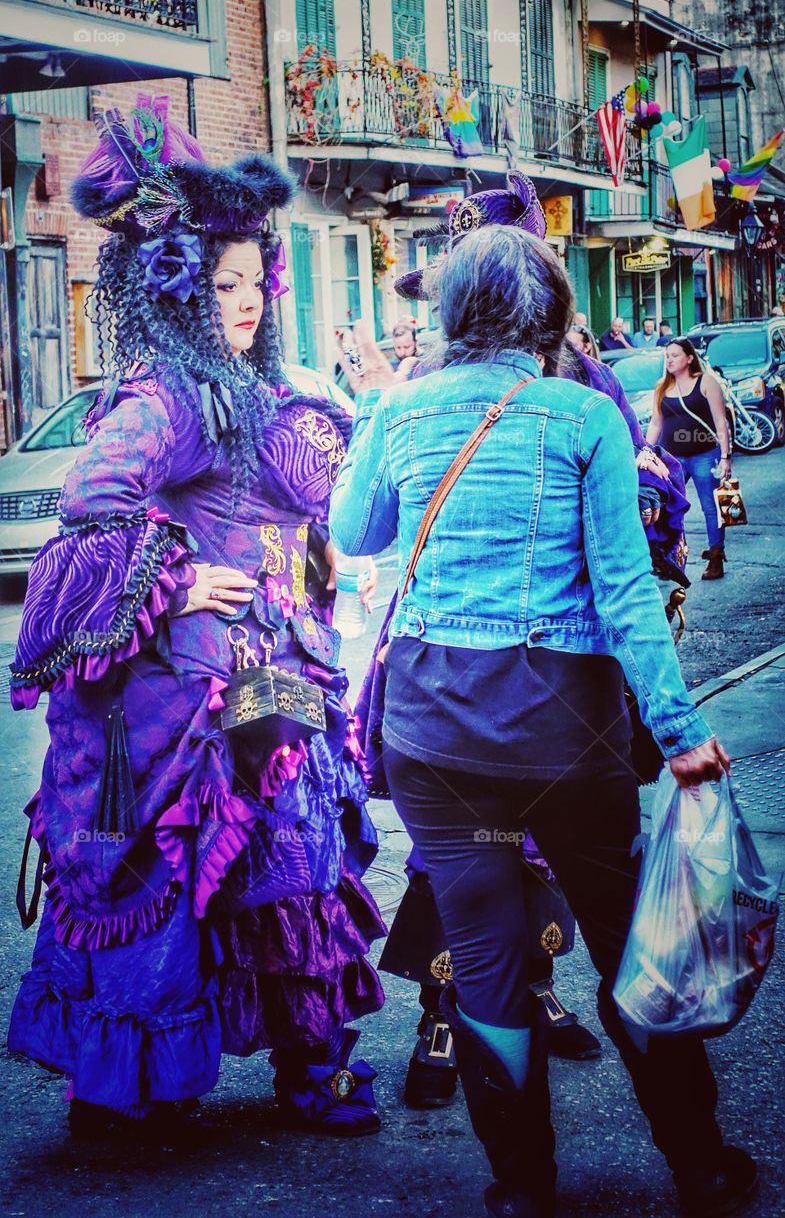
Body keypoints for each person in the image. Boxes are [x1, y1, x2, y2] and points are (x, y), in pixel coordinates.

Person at [329, 227, 755, 1218]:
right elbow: (622, 595)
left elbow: (353, 532)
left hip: (436, 734)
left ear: (450, 316)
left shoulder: (399, 408)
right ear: (552, 317)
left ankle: (520, 1186)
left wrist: (374, 404)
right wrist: (679, 728)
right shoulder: (580, 416)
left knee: (479, 953)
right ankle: (697, 1163)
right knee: (624, 941)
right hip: (564, 736)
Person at [7, 96, 385, 1142]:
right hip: (189, 695)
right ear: (176, 291)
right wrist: (174, 584)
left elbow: (316, 499)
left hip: (275, 668)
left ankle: (309, 1071)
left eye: (254, 279)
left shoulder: (255, 390)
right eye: (221, 284)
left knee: (294, 865)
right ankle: (125, 1090)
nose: (249, 299)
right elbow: (93, 498)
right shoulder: (167, 394)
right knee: (191, 873)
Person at [647, 337, 732, 581]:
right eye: (667, 356)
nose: (669, 359)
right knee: (664, 507)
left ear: (689, 358)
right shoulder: (662, 386)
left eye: (674, 355)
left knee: (710, 507)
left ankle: (716, 556)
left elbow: (720, 422)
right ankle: (667, 558)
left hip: (705, 455)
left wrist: (725, 456)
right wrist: (645, 450)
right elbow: (656, 423)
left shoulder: (706, 382)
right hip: (672, 458)